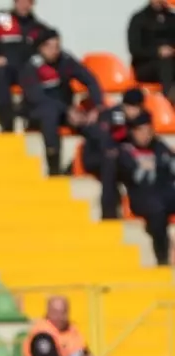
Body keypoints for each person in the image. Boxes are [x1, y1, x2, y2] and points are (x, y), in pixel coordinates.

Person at [19, 28, 104, 176]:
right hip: (38, 111)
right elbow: (36, 97)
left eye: (57, 46)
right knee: (49, 113)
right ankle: (53, 168)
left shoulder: (65, 60)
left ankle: (80, 166)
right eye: (49, 47)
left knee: (96, 127)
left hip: (66, 111)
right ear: (41, 48)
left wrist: (96, 107)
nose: (54, 51)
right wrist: (68, 110)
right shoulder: (31, 66)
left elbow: (90, 80)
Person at [0, 0, 48, 133]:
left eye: (28, 2)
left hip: (21, 70)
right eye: (20, 1)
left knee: (33, 73)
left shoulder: (37, 28)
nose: (24, 5)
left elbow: (46, 51)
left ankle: (33, 122)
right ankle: (7, 125)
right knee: (0, 73)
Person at [118, 113, 175, 265]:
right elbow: (132, 175)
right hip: (141, 198)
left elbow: (170, 167)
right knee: (156, 210)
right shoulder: (125, 150)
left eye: (148, 131)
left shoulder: (159, 146)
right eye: (141, 131)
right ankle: (162, 257)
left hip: (165, 193)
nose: (145, 135)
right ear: (133, 132)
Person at [80, 88, 145, 220]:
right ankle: (108, 213)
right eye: (133, 107)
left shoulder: (138, 119)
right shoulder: (114, 115)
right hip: (96, 157)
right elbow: (106, 143)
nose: (136, 111)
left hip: (117, 158)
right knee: (110, 160)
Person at [21, 295, 95, 356]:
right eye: (55, 312)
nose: (59, 316)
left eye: (63, 312)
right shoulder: (42, 334)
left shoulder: (73, 330)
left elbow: (83, 352)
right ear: (48, 312)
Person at [129, 0, 175, 102]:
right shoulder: (139, 18)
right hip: (146, 66)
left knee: (169, 63)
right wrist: (158, 52)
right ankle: (167, 102)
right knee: (166, 63)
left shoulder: (172, 18)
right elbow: (135, 49)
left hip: (171, 64)